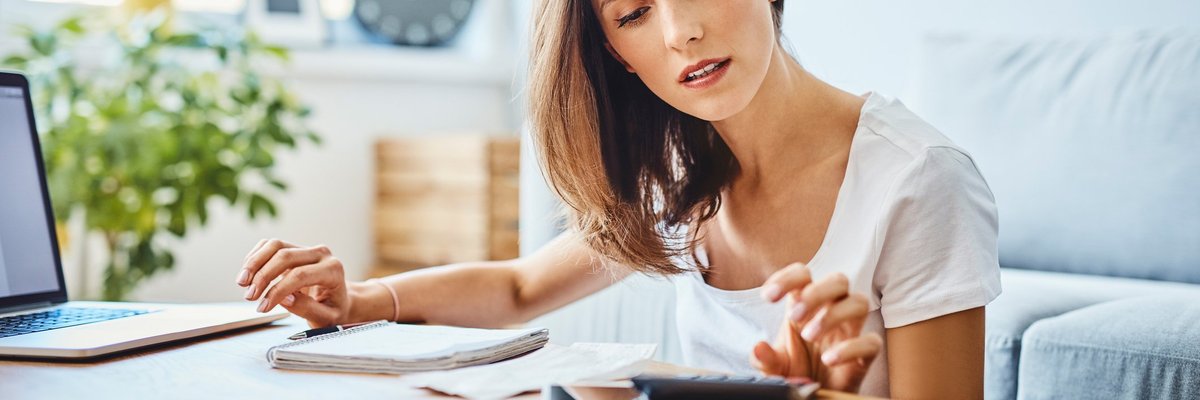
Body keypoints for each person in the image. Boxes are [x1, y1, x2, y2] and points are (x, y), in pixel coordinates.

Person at [233, 0, 1001, 397]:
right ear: (616, 55)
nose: (681, 32)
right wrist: (357, 300)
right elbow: (519, 287)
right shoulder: (683, 170)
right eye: (633, 14)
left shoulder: (916, 179)